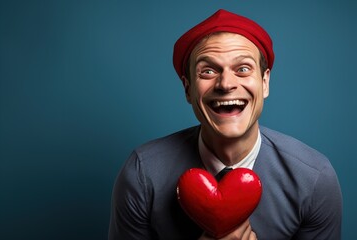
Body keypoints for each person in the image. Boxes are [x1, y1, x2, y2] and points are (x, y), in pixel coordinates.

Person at [108, 9, 342, 240]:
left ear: (265, 82)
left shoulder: (314, 179)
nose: (226, 83)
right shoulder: (142, 174)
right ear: (188, 89)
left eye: (242, 69)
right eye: (208, 71)